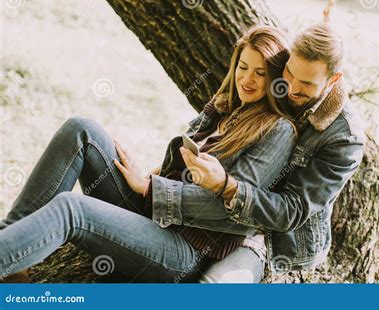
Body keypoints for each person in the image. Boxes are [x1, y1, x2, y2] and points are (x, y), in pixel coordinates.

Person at [0, 25, 296, 283]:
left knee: (72, 209)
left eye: (261, 73)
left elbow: (230, 210)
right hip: (153, 214)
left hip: (183, 250)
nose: (248, 79)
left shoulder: (277, 129)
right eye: (243, 67)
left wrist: (151, 187)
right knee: (82, 130)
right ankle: (11, 257)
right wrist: (148, 177)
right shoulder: (227, 107)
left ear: (276, 79)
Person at [150, 21, 366, 281]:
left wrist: (226, 186)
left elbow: (292, 211)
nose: (293, 88)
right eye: (289, 73)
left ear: (334, 79)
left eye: (307, 84)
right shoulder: (274, 85)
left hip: (273, 238)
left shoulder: (345, 138)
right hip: (227, 214)